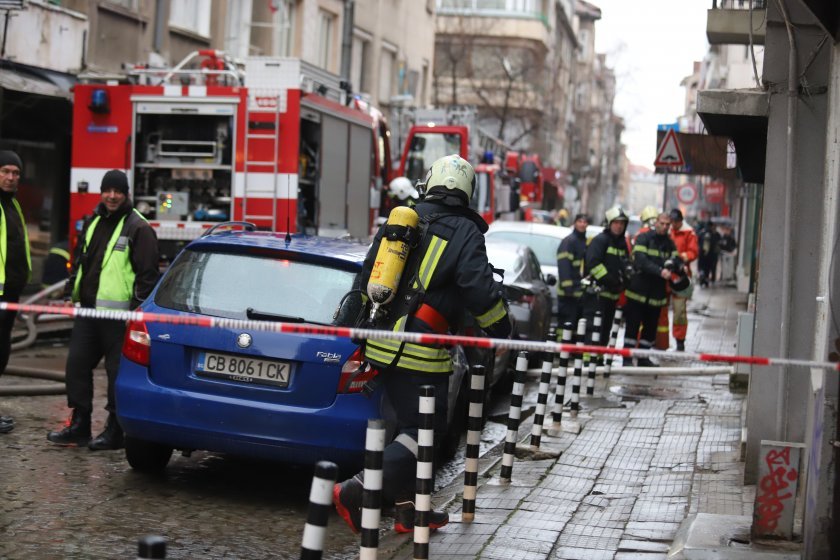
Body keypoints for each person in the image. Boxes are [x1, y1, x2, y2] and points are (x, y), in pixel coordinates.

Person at [333, 154, 511, 534]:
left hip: (382, 343)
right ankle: (357, 489)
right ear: (466, 192)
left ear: (429, 182)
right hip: (421, 352)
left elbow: (366, 276)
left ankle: (408, 511)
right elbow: (478, 289)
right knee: (425, 433)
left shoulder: (403, 221)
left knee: (404, 429)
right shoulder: (465, 232)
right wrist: (501, 328)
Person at [47, 170, 159, 450]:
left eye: (117, 191)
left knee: (115, 374)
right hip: (89, 312)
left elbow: (148, 276)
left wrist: (135, 313)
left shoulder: (139, 228)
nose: (112, 196)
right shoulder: (94, 220)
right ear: (102, 192)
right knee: (76, 367)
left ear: (126, 193)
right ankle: (79, 424)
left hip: (119, 318)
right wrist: (71, 289)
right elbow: (82, 259)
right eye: (107, 190)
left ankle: (115, 431)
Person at [0, 151, 30, 434]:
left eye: (16, 173)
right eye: (5, 171)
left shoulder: (12, 205)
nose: (11, 177)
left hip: (9, 295)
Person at [623, 212, 678, 367]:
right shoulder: (644, 238)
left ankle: (643, 358)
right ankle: (627, 358)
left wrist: (672, 264)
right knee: (632, 328)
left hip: (656, 294)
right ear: (656, 223)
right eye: (662, 223)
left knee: (650, 329)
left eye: (668, 224)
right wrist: (660, 271)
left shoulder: (669, 243)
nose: (665, 226)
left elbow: (676, 258)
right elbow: (640, 260)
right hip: (638, 291)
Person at [582, 205, 631, 346]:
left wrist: (627, 278)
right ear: (609, 224)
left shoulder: (621, 244)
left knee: (605, 331)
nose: (619, 226)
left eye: (622, 223)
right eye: (616, 223)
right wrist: (611, 280)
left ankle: (599, 360)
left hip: (612, 296)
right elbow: (593, 265)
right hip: (597, 295)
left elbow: (625, 264)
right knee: (593, 329)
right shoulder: (600, 240)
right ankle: (587, 362)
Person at [667, 209, 698, 351]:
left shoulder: (688, 233)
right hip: (665, 274)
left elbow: (694, 252)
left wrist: (682, 258)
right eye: (671, 222)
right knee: (660, 309)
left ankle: (680, 340)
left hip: (681, 276)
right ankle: (659, 340)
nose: (673, 224)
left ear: (680, 221)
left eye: (675, 222)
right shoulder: (667, 231)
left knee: (679, 310)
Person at [555, 213, 589, 328]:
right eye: (580, 221)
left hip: (579, 293)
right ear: (575, 223)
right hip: (567, 294)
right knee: (565, 326)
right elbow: (564, 266)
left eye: (585, 222)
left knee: (576, 327)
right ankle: (561, 345)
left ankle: (570, 345)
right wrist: (568, 289)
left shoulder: (585, 242)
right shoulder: (568, 242)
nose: (582, 224)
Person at [697, 220, 721, 287]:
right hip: (710, 255)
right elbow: (717, 242)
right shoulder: (714, 234)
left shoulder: (701, 232)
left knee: (701, 267)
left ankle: (702, 277)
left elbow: (698, 241)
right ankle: (706, 280)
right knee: (708, 268)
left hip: (702, 254)